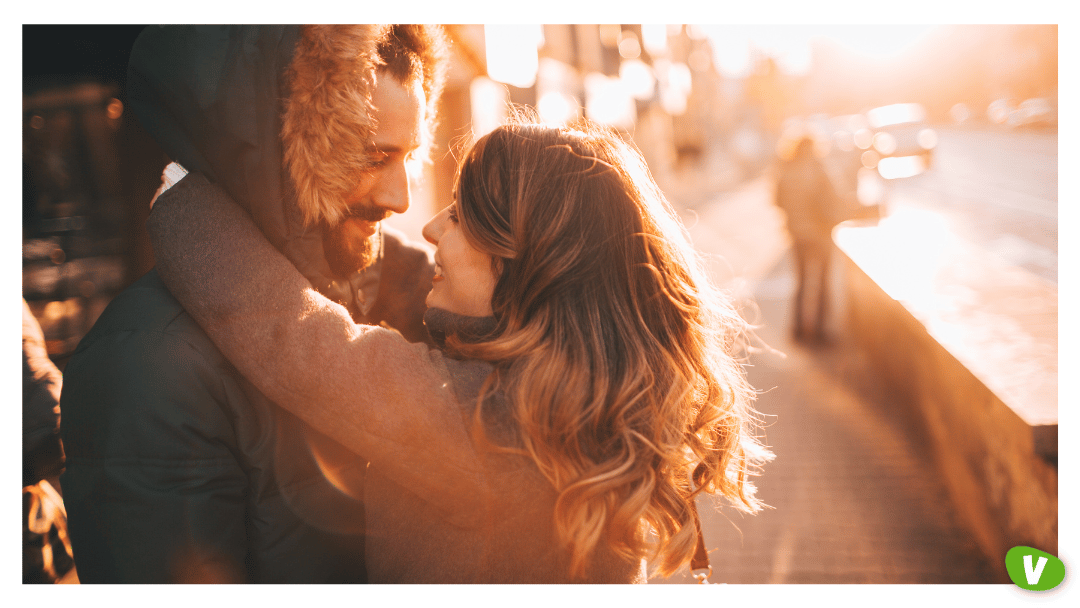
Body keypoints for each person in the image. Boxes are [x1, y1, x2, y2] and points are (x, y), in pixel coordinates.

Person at [146, 118, 772, 583]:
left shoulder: (480, 420)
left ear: (520, 260)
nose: (429, 227)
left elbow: (288, 332)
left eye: (459, 214)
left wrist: (182, 191)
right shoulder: (590, 402)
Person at [59, 24, 448, 583]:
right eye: (371, 156)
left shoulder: (377, 298)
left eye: (409, 156)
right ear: (272, 149)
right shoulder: (149, 364)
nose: (400, 197)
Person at [774, 136, 839, 343]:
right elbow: (832, 200)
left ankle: (798, 330)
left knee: (801, 283)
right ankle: (820, 331)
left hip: (797, 234)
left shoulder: (786, 170)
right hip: (819, 234)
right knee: (822, 283)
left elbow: (778, 201)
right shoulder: (818, 170)